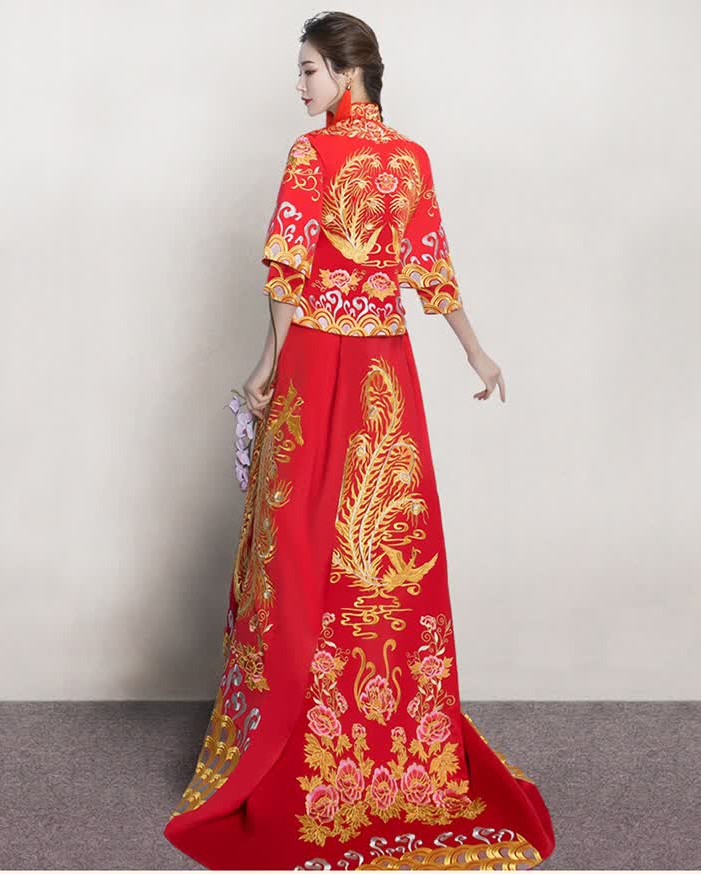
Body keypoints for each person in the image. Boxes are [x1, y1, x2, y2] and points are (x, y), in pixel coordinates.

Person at [163, 11, 555, 870]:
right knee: (382, 550)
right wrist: (476, 351)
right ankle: (394, 747)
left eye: (308, 70)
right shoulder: (411, 159)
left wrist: (265, 365)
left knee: (298, 544)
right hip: (386, 375)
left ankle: (298, 741)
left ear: (347, 73)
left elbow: (288, 267)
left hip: (315, 365)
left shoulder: (312, 156)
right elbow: (432, 268)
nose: (299, 86)